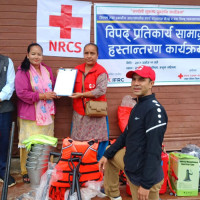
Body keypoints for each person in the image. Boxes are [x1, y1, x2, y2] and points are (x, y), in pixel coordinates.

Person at [99, 66, 168, 200]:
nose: (136, 83)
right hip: (131, 163)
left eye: (141, 80)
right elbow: (126, 135)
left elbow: (154, 150)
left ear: (151, 84)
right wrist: (106, 155)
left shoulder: (154, 110)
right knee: (110, 152)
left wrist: (146, 185)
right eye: (134, 79)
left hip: (145, 177)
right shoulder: (138, 105)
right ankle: (114, 195)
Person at [15, 43, 57, 183]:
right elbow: (21, 93)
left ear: (42, 56)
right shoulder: (23, 71)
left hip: (48, 114)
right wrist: (42, 96)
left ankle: (45, 167)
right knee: (28, 143)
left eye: (39, 54)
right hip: (30, 114)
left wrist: (59, 89)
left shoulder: (47, 70)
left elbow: (54, 87)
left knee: (46, 142)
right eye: (33, 54)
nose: (36, 57)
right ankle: (26, 170)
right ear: (27, 55)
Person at [70, 43, 109, 160]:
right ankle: (80, 162)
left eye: (92, 53)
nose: (89, 56)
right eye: (86, 53)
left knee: (96, 140)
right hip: (79, 111)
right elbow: (68, 86)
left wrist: (82, 95)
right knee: (79, 139)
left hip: (95, 111)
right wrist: (62, 76)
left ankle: (96, 163)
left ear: (97, 55)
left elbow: (101, 90)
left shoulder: (101, 71)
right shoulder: (77, 70)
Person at [0, 54, 16, 187]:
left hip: (3, 109)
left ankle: (3, 171)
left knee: (4, 141)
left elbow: (10, 84)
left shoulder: (7, 61)